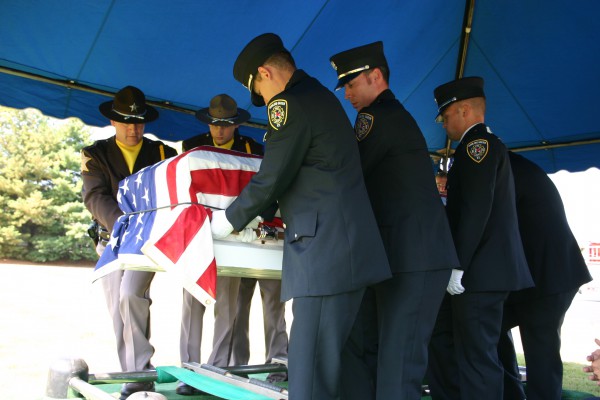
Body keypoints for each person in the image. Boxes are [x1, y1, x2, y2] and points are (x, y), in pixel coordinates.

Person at [210, 33, 392, 400]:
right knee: (348, 369)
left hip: (325, 259)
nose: (263, 101)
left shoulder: (289, 105)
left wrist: (224, 221)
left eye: (258, 91)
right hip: (349, 253)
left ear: (264, 72)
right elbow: (310, 175)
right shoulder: (319, 97)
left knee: (309, 374)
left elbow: (271, 177)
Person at [328, 41, 459, 399]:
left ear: (376, 76)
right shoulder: (389, 116)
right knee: (374, 352)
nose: (347, 94)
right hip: (400, 256)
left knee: (399, 365)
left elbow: (347, 176)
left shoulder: (376, 117)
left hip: (415, 258)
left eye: (352, 85)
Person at [426, 76, 534, 400]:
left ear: (464, 110)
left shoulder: (478, 147)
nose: (444, 125)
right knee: (479, 356)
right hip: (485, 272)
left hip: (478, 275)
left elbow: (475, 210)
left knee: (477, 362)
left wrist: (457, 265)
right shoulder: (480, 147)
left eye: (445, 117)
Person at [177, 94, 287, 394]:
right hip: (199, 234)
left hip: (244, 236)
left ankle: (229, 367)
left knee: (235, 307)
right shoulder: (192, 147)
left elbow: (265, 188)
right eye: (215, 124)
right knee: (194, 304)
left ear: (236, 125)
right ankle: (190, 369)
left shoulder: (252, 149)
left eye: (226, 125)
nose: (220, 131)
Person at [81, 86, 177, 399]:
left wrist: (139, 229)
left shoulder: (163, 153)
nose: (132, 127)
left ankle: (141, 372)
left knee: (130, 295)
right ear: (113, 121)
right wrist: (124, 224)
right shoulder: (95, 153)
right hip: (111, 240)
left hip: (147, 241)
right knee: (117, 308)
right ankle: (132, 373)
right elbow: (94, 196)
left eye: (138, 121)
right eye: (125, 121)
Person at [497, 151, 592, 400]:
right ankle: (511, 394)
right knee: (491, 327)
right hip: (536, 276)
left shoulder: (503, 170)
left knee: (541, 353)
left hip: (550, 278)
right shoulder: (513, 165)